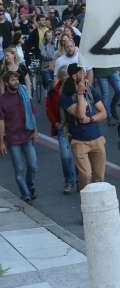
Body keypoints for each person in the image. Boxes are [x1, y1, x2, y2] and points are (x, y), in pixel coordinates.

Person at [61, 64, 107, 189]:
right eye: (81, 72)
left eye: (83, 72)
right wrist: (80, 94)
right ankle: (85, 198)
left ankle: (97, 204)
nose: (84, 74)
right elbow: (81, 116)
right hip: (79, 141)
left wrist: (91, 118)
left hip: (96, 138)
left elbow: (103, 113)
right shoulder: (66, 96)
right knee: (86, 175)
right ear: (74, 75)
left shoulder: (91, 90)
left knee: (99, 177)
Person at [0, 71, 39, 202]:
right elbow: (1, 122)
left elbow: (31, 112)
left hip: (27, 134)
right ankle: (25, 194)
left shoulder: (23, 93)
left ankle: (30, 185)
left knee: (33, 166)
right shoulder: (2, 100)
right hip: (12, 139)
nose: (16, 82)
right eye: (12, 80)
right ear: (6, 83)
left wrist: (35, 130)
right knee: (19, 169)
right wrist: (1, 142)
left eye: (16, 79)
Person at [45, 66, 76, 194]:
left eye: (68, 75)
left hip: (75, 126)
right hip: (62, 127)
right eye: (64, 75)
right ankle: (69, 181)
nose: (66, 77)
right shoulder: (53, 91)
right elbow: (49, 108)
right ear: (60, 77)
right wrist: (55, 123)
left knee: (78, 154)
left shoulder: (75, 90)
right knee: (65, 156)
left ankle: (80, 178)